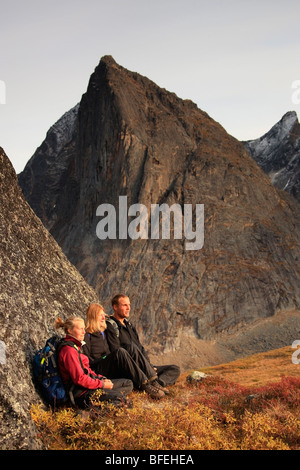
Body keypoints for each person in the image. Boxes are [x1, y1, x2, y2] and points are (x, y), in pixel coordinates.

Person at [82, 303, 166, 399]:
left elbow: (113, 348)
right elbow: (87, 362)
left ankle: (153, 380)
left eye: (104, 315)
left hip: (109, 366)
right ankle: (145, 385)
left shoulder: (103, 333)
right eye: (100, 315)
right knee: (120, 352)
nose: (103, 317)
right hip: (98, 370)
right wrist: (105, 358)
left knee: (131, 347)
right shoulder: (86, 335)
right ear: (93, 316)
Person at [55, 316, 133, 409]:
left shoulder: (76, 347)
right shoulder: (69, 351)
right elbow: (79, 379)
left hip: (90, 387)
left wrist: (101, 379)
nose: (84, 332)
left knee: (128, 384)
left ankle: (108, 397)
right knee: (124, 402)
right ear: (69, 330)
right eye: (80, 329)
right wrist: (102, 385)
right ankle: (92, 412)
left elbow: (87, 370)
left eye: (84, 329)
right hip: (82, 393)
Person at [105, 294, 180, 390]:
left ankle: (157, 383)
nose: (128, 308)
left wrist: (149, 366)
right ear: (115, 307)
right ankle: (151, 382)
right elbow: (116, 352)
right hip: (131, 369)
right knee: (131, 347)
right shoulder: (110, 326)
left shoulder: (130, 325)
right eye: (125, 305)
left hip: (144, 367)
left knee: (174, 369)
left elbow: (140, 348)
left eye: (129, 305)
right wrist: (144, 369)